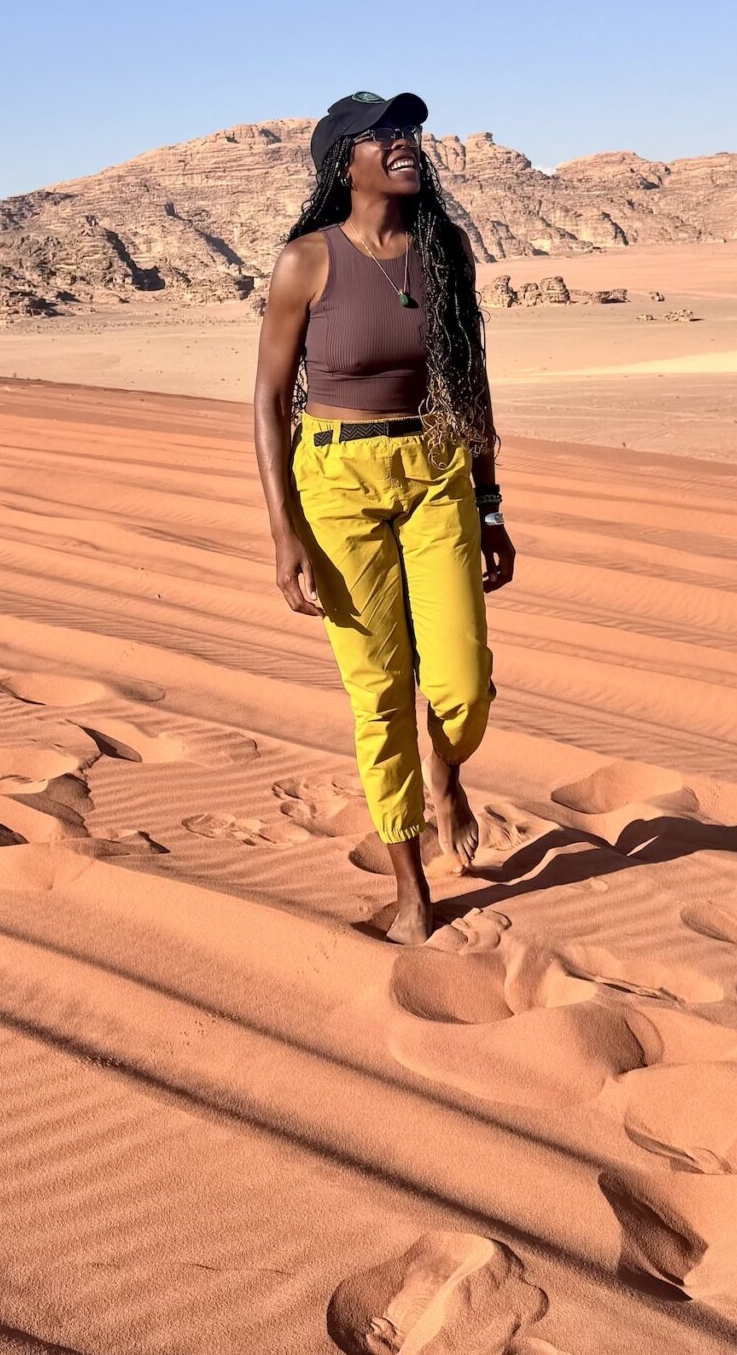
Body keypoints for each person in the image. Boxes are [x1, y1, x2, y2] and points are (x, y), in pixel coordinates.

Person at [252, 91, 517, 944]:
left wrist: (489, 499)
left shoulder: (444, 251)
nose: (408, 144)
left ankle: (448, 773)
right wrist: (282, 527)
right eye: (386, 136)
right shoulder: (305, 262)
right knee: (378, 693)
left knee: (462, 685)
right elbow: (266, 401)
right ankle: (411, 888)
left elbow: (468, 383)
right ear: (345, 163)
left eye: (410, 132)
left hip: (435, 465)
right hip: (335, 480)